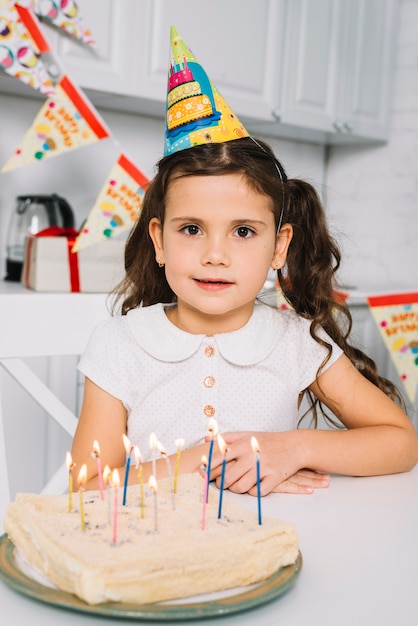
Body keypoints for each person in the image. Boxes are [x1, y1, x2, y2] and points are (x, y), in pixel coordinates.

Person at [71, 135, 418, 496]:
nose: (215, 255)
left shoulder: (297, 342)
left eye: (243, 231)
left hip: (269, 539)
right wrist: (205, 460)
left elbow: (401, 443)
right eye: (192, 229)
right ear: (160, 241)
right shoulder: (119, 344)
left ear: (279, 247)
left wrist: (293, 449)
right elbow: (87, 488)